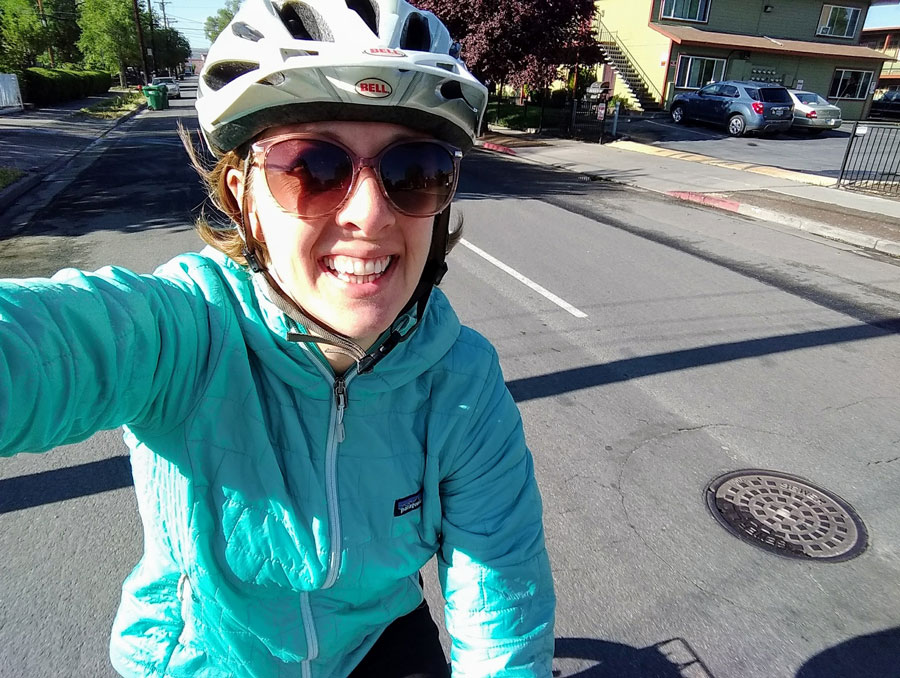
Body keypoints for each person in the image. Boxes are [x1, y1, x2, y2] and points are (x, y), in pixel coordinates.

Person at [0, 0, 555, 676]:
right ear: (242, 195)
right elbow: (48, 345)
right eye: (313, 170)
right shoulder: (185, 333)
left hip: (373, 636)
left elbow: (502, 595)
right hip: (207, 655)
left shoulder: (461, 380)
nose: (371, 214)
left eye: (415, 172)